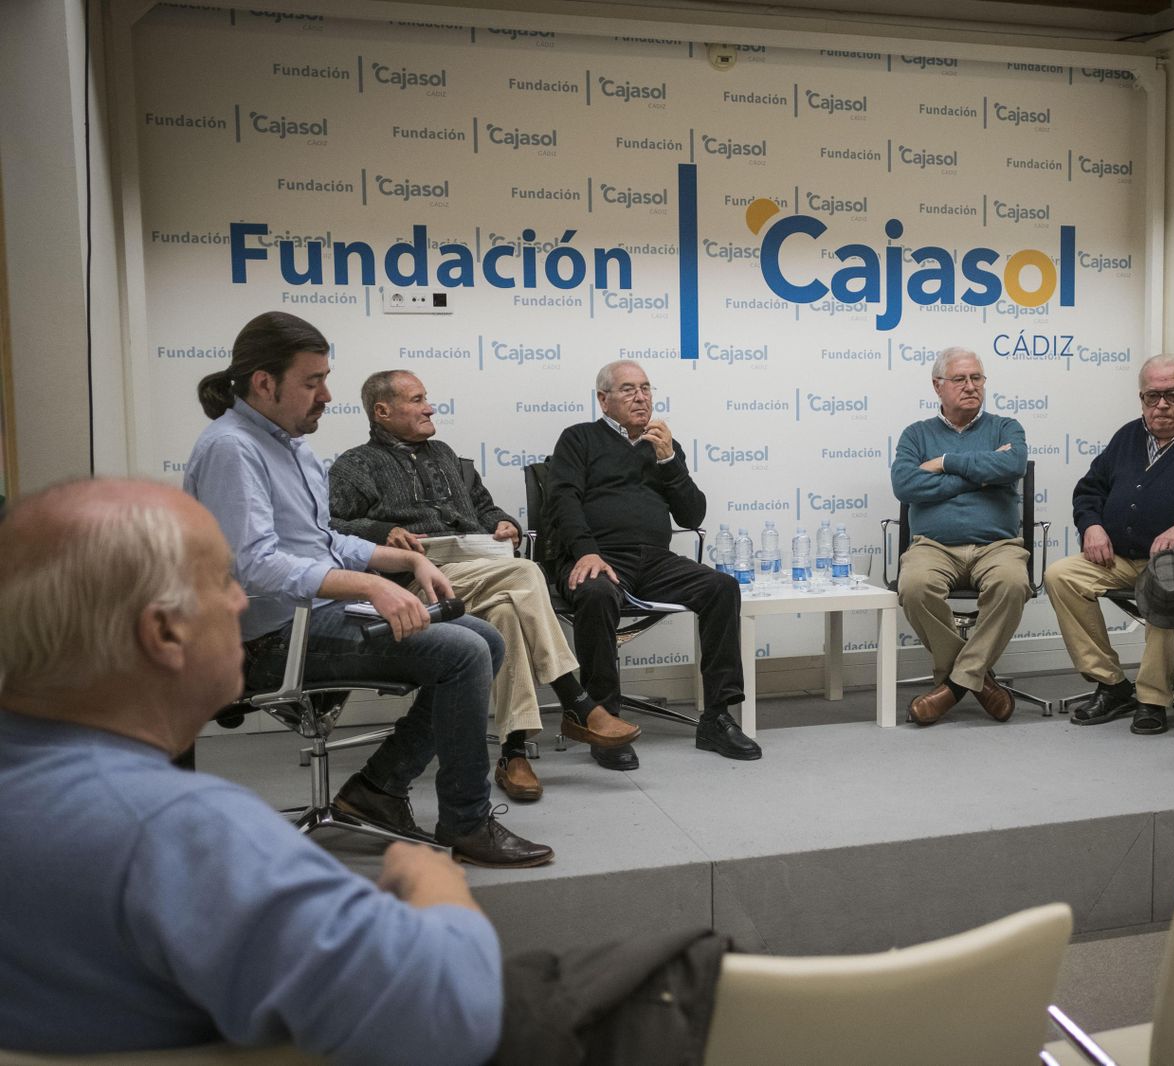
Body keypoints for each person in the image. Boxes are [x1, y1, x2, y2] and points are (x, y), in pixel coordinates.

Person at [0, 478, 502, 1062]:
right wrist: (437, 890)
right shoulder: (180, 830)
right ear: (165, 631)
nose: (241, 602)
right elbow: (444, 1019)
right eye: (222, 583)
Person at [184, 311, 548, 866]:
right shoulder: (233, 448)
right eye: (312, 382)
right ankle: (466, 824)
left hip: (315, 615)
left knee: (485, 640)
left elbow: (321, 541)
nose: (327, 395)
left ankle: (377, 790)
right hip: (272, 637)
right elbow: (255, 566)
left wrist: (399, 559)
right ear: (263, 381)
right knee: (466, 651)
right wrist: (372, 588)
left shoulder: (291, 447)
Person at [328, 370, 639, 803]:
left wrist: (502, 523)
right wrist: (382, 530)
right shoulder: (354, 466)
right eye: (417, 400)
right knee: (527, 573)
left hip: (479, 570)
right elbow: (332, 528)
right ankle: (577, 701)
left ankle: (513, 752)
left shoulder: (445, 455)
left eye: (427, 397)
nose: (429, 407)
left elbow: (483, 507)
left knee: (507, 613)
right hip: (416, 583)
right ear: (383, 411)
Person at [546, 358, 760, 768]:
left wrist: (669, 462)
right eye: (629, 389)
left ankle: (716, 717)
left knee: (721, 587)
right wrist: (586, 551)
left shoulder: (663, 445)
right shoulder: (578, 439)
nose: (641, 397)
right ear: (603, 399)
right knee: (595, 592)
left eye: (646, 388)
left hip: (654, 560)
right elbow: (562, 500)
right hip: (596, 556)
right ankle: (604, 721)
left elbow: (692, 516)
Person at [1043, 355, 1174, 735]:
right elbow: (1089, 490)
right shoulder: (1127, 436)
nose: (1162, 405)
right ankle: (1113, 684)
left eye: (1173, 394)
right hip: (1122, 556)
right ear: (1142, 399)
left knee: (1167, 580)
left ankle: (1152, 697)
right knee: (1060, 575)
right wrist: (1092, 526)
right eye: (1153, 397)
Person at [889, 347, 1030, 725]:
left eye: (977, 378)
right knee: (915, 586)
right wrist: (981, 475)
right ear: (938, 386)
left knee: (1014, 583)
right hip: (933, 546)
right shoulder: (916, 435)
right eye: (960, 379)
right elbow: (905, 484)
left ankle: (951, 687)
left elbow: (1013, 463)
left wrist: (945, 463)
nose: (971, 386)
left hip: (997, 545)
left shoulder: (1006, 427)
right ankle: (977, 680)